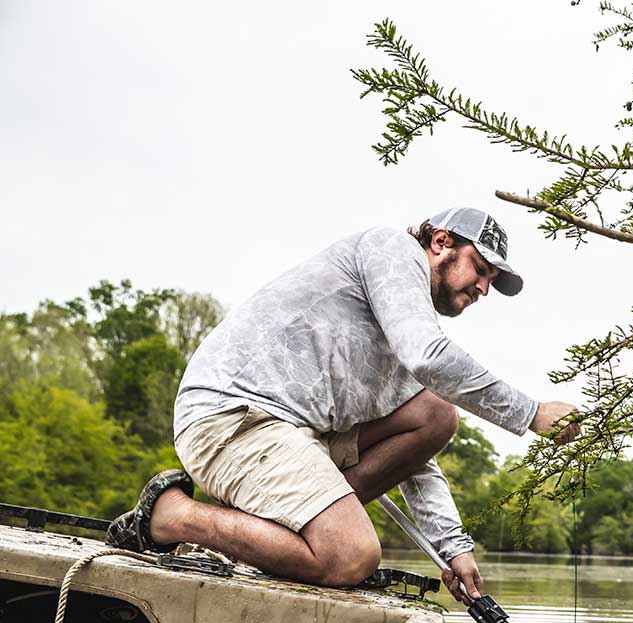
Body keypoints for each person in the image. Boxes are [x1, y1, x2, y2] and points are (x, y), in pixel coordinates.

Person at [106, 208, 580, 602]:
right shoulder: (391, 251)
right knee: (351, 558)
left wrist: (452, 551)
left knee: (436, 413)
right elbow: (429, 355)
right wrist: (531, 412)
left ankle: (282, 538)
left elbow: (416, 459)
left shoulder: (400, 333)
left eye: (492, 281)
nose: (483, 289)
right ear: (440, 242)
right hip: (232, 419)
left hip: (296, 437)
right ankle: (172, 516)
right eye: (480, 269)